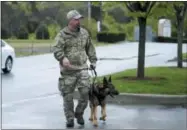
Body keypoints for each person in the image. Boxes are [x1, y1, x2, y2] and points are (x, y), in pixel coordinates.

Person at [53, 10, 97, 128]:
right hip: (68, 71)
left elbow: (90, 48)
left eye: (79, 19)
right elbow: (57, 49)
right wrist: (62, 58)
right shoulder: (62, 35)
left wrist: (93, 61)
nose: (79, 21)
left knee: (85, 94)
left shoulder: (84, 33)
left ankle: (79, 113)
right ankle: (70, 118)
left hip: (82, 68)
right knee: (68, 97)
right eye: (76, 19)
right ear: (70, 21)